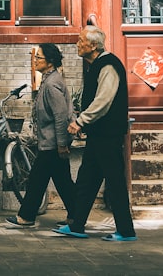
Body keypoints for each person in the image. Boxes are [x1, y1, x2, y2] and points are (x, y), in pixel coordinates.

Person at [53, 25, 138, 242]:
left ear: (93, 45)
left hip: (108, 136)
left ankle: (126, 231)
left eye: (81, 41)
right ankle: (77, 226)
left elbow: (103, 101)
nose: (77, 44)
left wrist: (81, 121)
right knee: (86, 180)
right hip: (98, 135)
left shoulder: (108, 65)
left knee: (115, 182)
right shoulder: (95, 65)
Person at [5, 43, 77, 228]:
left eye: (39, 58)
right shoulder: (50, 79)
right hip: (50, 142)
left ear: (50, 61)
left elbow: (60, 117)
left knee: (38, 180)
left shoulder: (52, 84)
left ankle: (26, 216)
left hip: (53, 143)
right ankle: (76, 216)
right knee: (62, 182)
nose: (35, 61)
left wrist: (61, 144)